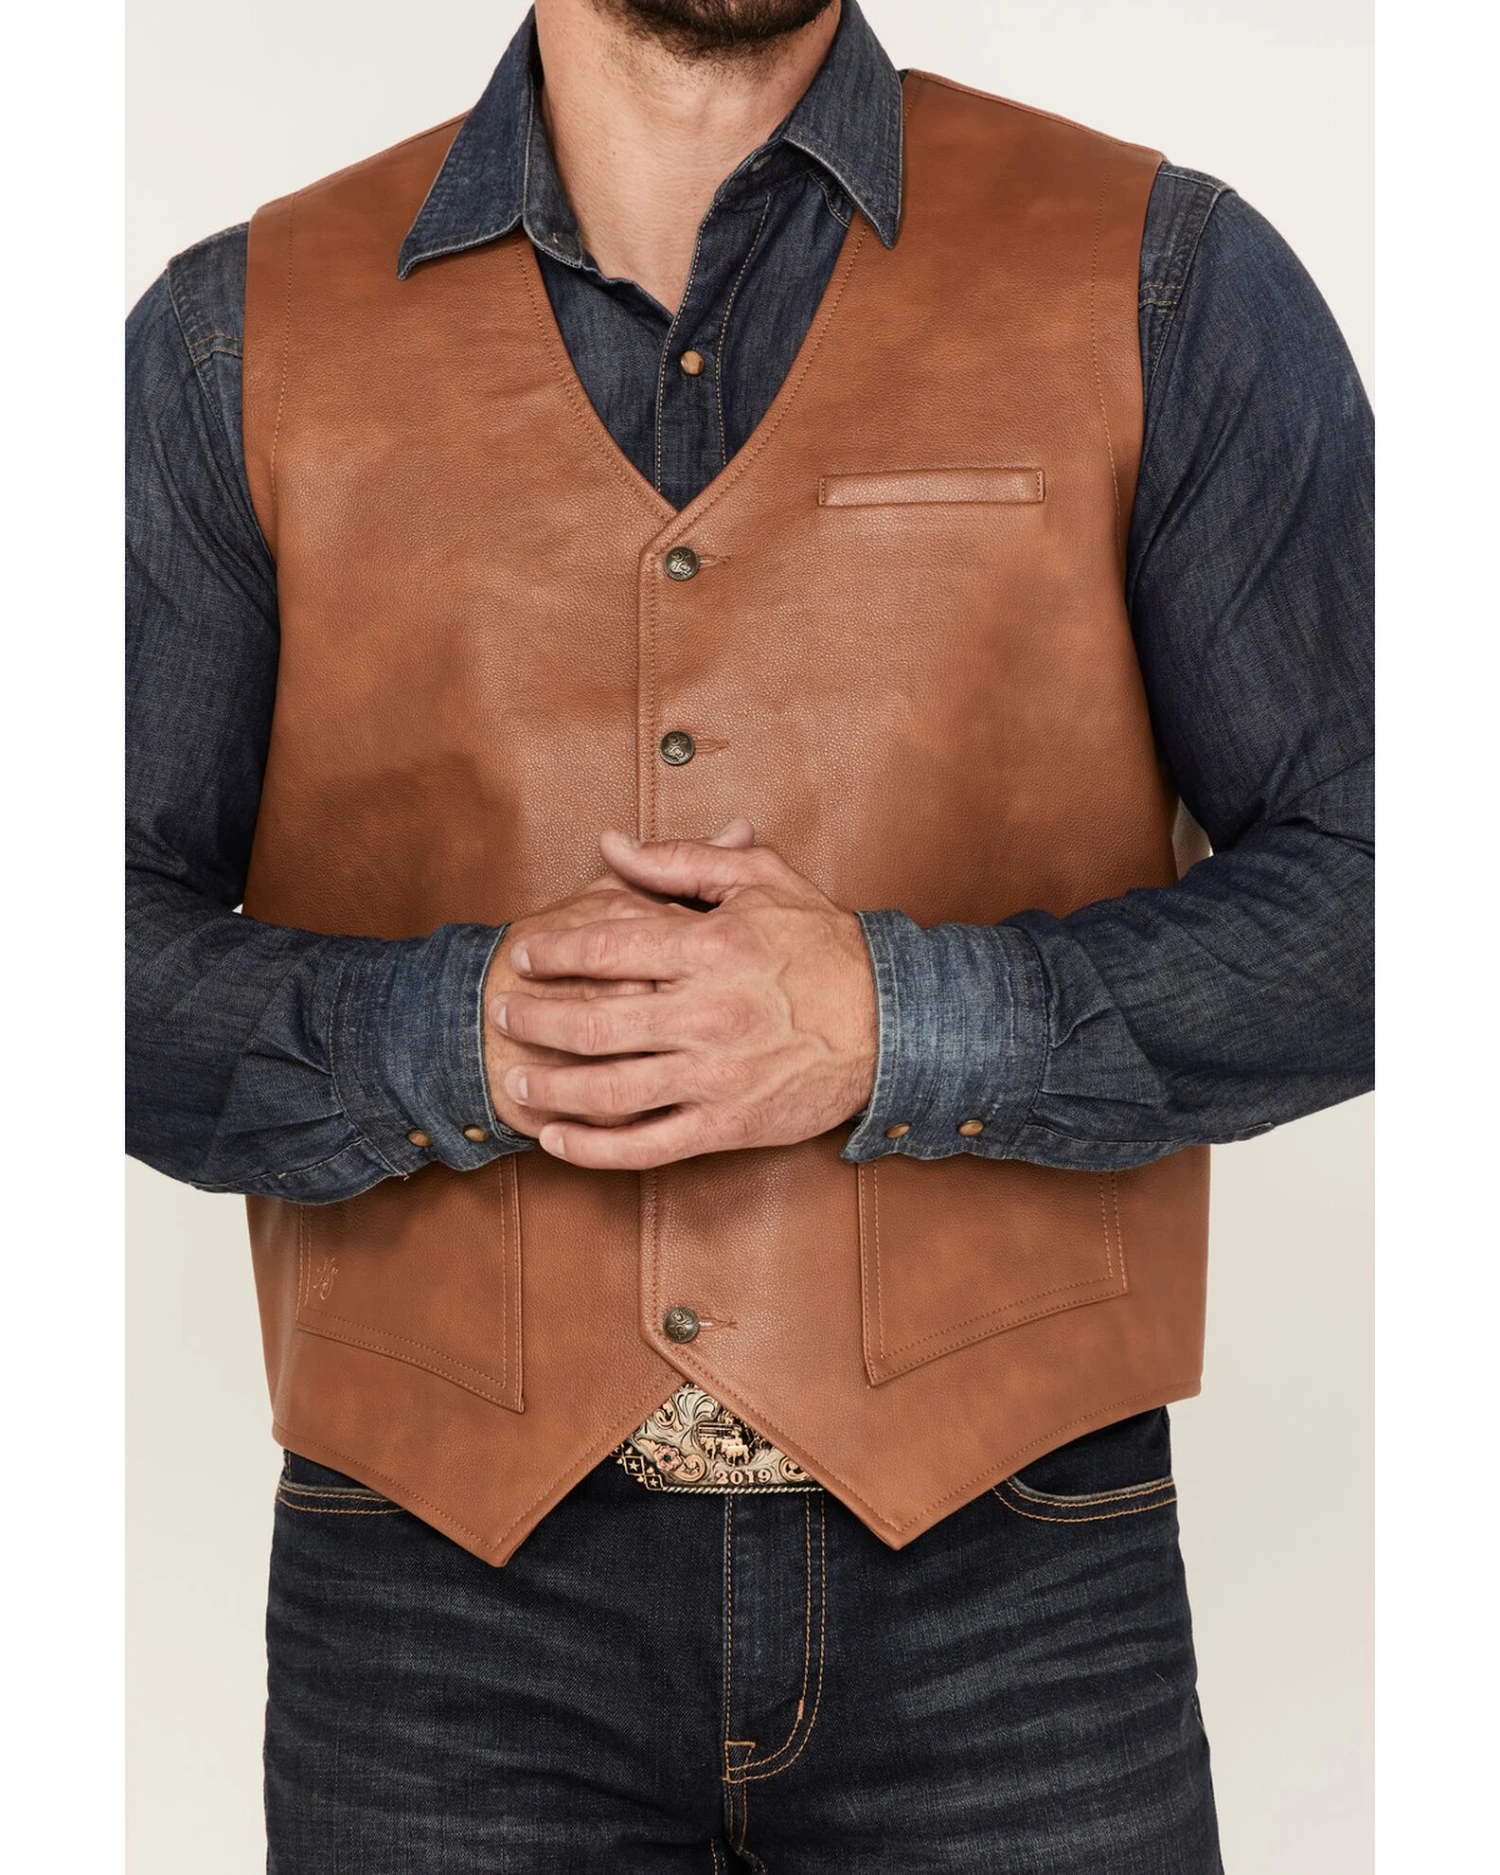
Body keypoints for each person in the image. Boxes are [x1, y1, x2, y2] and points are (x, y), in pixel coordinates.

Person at [125, 0, 1373, 1866]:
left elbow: (1392, 886)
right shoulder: (235, 335)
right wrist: (448, 1037)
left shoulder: (1161, 278)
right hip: (435, 1607)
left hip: (1019, 1583)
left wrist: (900, 1020)